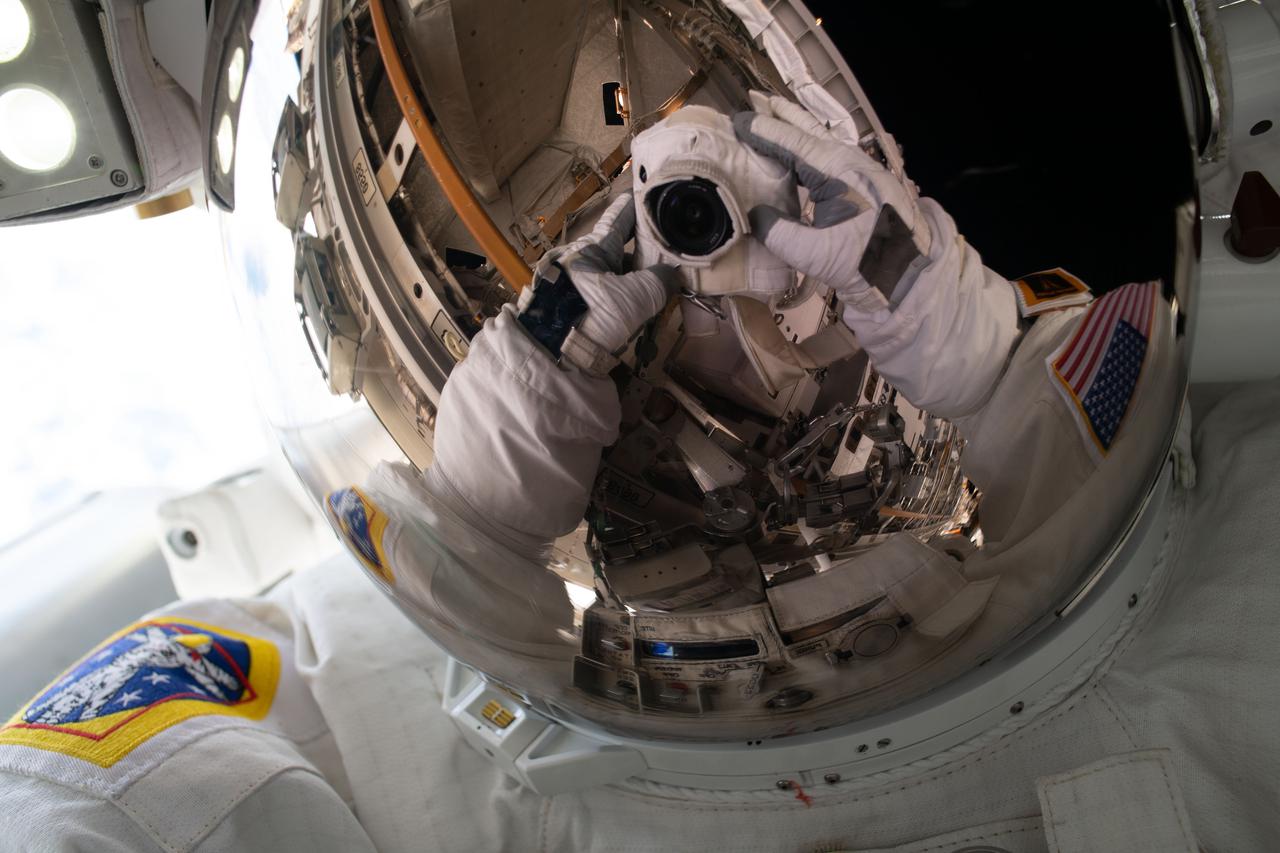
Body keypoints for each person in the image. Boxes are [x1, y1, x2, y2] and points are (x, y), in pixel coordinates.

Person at [0, 97, 1275, 853]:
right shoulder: (337, 713)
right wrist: (479, 516)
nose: (709, 273)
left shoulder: (1218, 533)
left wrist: (980, 359)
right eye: (644, 241)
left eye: (778, 214)